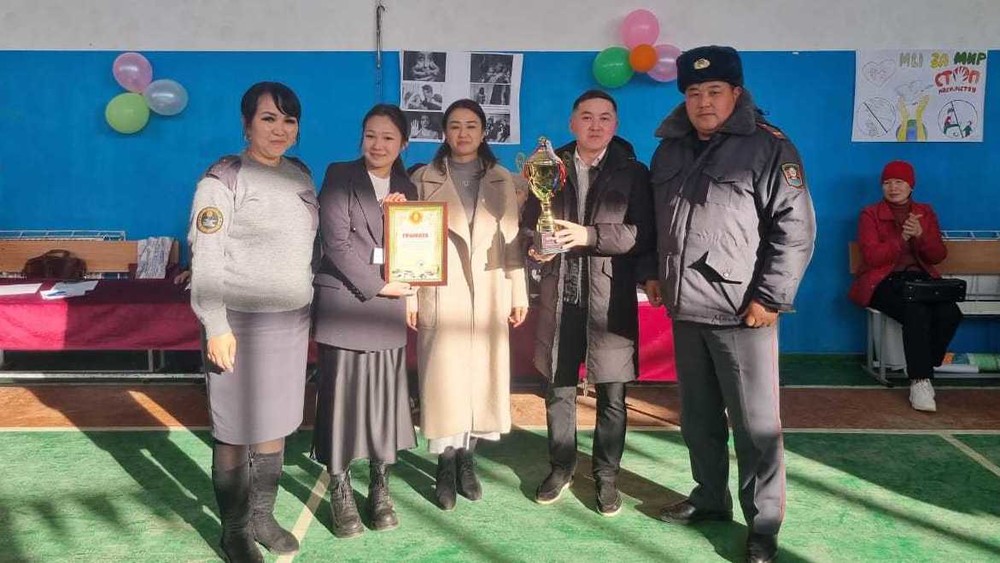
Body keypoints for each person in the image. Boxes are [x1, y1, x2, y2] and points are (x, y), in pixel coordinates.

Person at [641, 46, 816, 563]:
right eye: (694, 92)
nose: (703, 101)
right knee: (699, 421)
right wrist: (651, 272)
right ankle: (710, 498)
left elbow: (796, 229)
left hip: (744, 312)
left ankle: (763, 523)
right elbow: (654, 220)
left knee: (755, 427)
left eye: (714, 91)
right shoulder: (669, 150)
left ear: (736, 93)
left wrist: (770, 297)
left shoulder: (768, 147)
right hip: (685, 310)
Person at [188, 81, 317, 562]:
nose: (280, 129)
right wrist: (215, 324)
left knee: (275, 422)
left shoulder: (300, 175)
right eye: (268, 118)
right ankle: (235, 531)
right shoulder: (222, 179)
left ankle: (263, 517)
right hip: (238, 325)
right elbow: (207, 255)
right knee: (234, 430)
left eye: (289, 120)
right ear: (246, 124)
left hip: (291, 321)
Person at [523, 90, 653, 516]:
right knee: (558, 391)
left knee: (612, 395)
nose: (595, 125)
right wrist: (535, 248)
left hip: (609, 299)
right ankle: (561, 467)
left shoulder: (633, 172)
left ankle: (606, 475)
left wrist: (589, 236)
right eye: (586, 117)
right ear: (572, 123)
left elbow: (641, 234)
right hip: (560, 296)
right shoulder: (547, 166)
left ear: (615, 124)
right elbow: (530, 224)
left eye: (604, 117)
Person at [407, 99, 528, 511]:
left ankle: (467, 461)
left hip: (490, 289)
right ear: (444, 132)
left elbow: (512, 240)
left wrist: (517, 290)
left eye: (471, 126)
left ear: (483, 132)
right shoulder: (423, 179)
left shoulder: (501, 178)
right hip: (442, 291)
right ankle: (444, 464)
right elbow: (411, 244)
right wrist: (411, 294)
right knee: (444, 382)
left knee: (481, 380)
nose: (463, 133)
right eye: (455, 126)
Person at [312, 104, 419, 538]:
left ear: (403, 144)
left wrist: (395, 218)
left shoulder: (408, 187)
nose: (378, 144)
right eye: (371, 135)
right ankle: (340, 488)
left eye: (388, 137)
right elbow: (335, 243)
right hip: (346, 306)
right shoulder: (340, 175)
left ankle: (379, 487)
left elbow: (414, 250)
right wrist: (381, 286)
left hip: (387, 312)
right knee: (340, 404)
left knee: (383, 405)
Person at [848, 160, 962, 412]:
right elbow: (873, 257)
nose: (893, 188)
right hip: (882, 282)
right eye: (887, 183)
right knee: (916, 312)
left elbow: (937, 256)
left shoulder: (925, 212)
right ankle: (920, 381)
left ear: (911, 186)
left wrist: (922, 235)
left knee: (950, 313)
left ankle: (925, 363)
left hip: (920, 281)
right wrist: (901, 239)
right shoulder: (870, 214)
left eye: (899, 182)